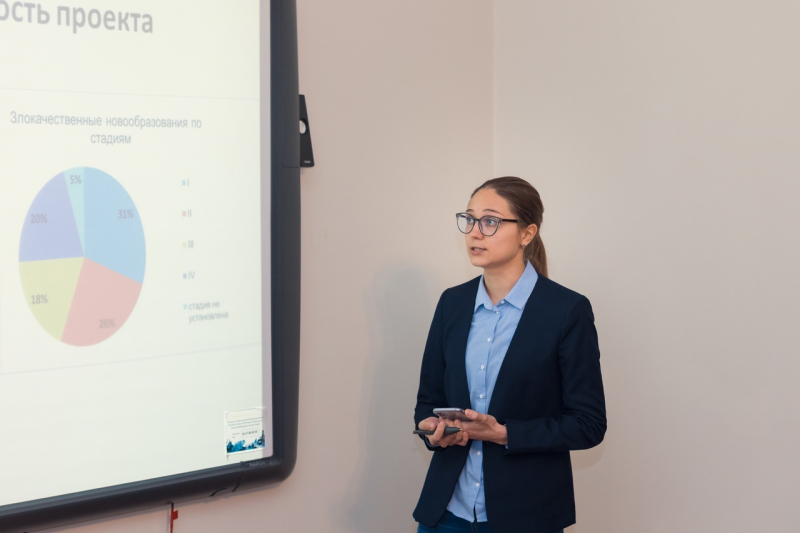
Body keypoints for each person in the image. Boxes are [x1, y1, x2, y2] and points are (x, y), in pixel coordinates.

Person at [413, 177, 606, 533]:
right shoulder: (452, 303)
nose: (474, 233)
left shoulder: (566, 310)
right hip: (446, 514)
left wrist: (503, 433)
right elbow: (428, 401)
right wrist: (434, 430)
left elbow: (588, 425)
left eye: (490, 221)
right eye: (469, 219)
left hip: (526, 515)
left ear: (527, 233)